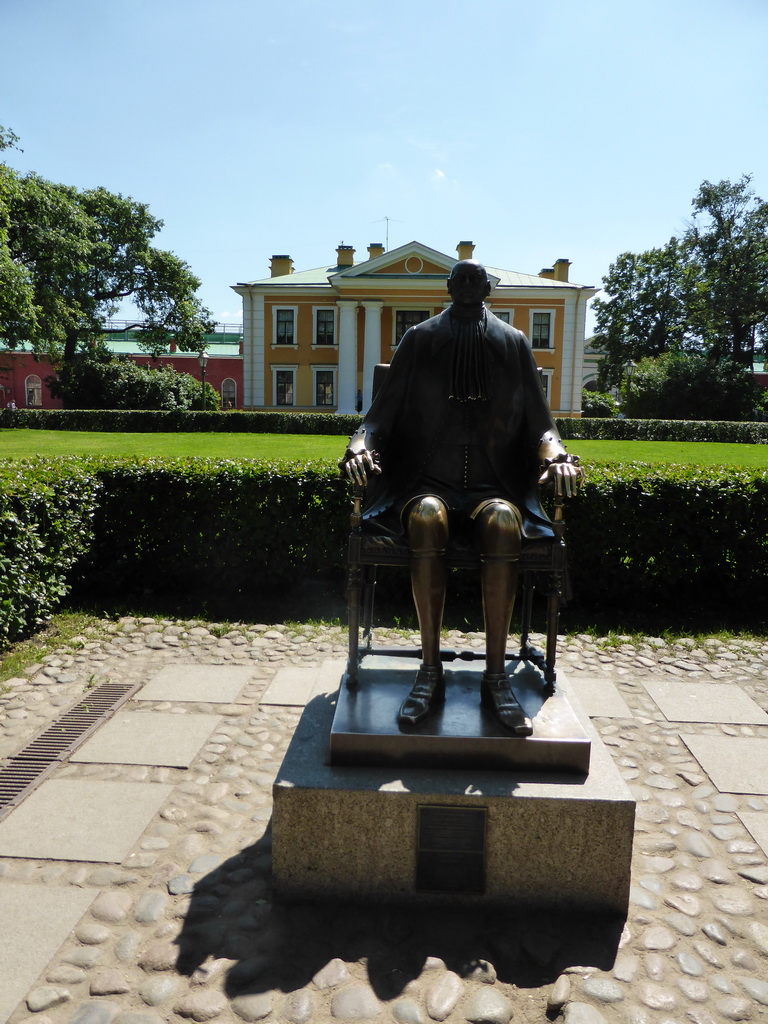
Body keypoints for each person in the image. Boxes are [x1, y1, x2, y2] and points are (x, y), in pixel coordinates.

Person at [341, 260, 583, 735]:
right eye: (461, 279)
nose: (470, 286)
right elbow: (377, 417)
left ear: (488, 287)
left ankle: (496, 680)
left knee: (503, 525)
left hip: (495, 487)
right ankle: (429, 672)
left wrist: (557, 457)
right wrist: (358, 447)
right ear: (448, 287)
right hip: (427, 483)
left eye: (477, 279)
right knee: (427, 518)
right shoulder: (420, 339)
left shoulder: (512, 342)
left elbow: (542, 424)